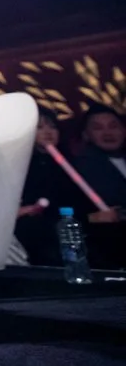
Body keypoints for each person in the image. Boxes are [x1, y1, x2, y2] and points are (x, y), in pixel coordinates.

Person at [15, 110, 88, 266]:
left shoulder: (69, 163)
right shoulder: (19, 163)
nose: (48, 132)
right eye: (40, 127)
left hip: (66, 225)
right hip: (33, 228)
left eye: (53, 127)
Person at [73, 105, 126, 268]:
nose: (108, 133)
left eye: (113, 126)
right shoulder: (79, 168)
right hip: (110, 251)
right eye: (98, 128)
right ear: (86, 135)